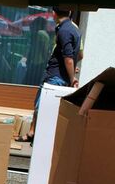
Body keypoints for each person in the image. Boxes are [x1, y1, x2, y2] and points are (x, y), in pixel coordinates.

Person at [22, 7, 82, 142]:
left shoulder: (64, 31)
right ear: (70, 12)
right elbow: (76, 55)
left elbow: (68, 58)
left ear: (53, 14)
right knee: (47, 109)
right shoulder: (75, 29)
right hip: (60, 76)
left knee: (42, 108)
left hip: (55, 77)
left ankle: (40, 141)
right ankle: (36, 137)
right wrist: (70, 73)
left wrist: (72, 78)